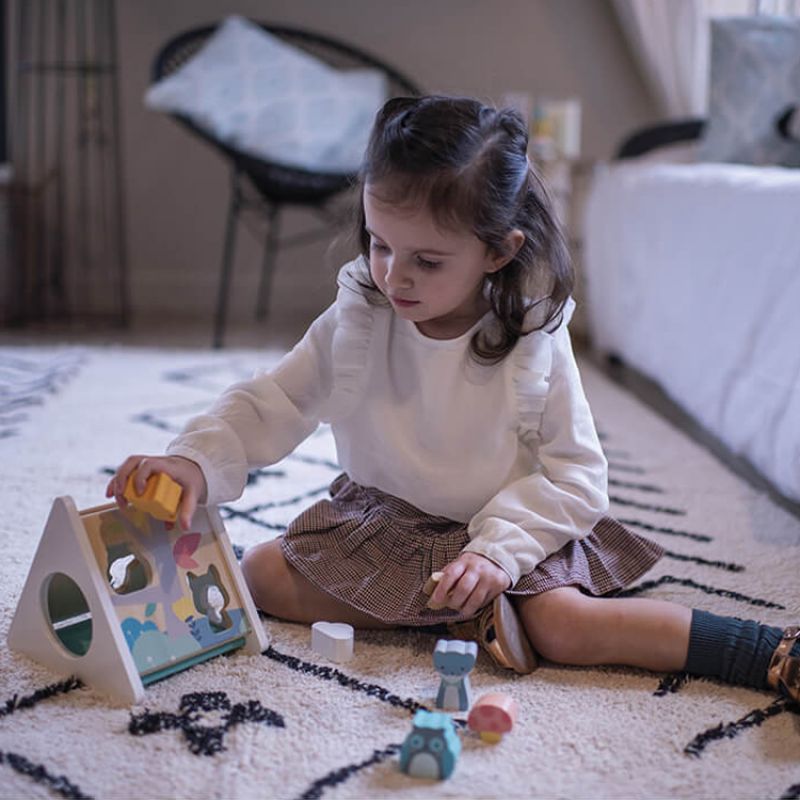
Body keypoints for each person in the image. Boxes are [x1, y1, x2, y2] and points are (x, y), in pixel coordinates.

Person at [107, 95, 799, 699]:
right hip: (389, 524)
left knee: (562, 626)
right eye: (379, 244)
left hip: (506, 531)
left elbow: (577, 477)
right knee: (260, 574)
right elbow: (273, 400)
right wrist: (196, 461)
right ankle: (465, 612)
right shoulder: (360, 317)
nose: (393, 275)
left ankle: (765, 651)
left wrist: (498, 553)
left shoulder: (531, 339)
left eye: (426, 261)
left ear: (498, 251)